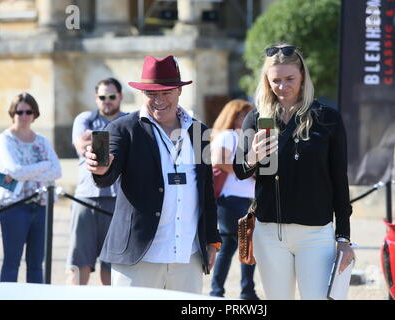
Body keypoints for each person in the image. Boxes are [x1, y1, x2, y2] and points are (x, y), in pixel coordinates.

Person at [84, 55, 221, 294]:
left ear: (179, 90)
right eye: (151, 93)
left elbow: (206, 190)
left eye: (165, 92)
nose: (158, 100)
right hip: (139, 258)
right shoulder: (123, 128)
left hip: (187, 256)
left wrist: (212, 239)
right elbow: (107, 174)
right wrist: (100, 168)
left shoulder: (199, 131)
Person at [233, 44, 355, 300]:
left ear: (302, 77)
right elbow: (240, 171)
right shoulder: (256, 119)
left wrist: (344, 237)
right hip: (269, 233)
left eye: (290, 79)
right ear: (266, 81)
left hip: (315, 233)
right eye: (275, 80)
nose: (282, 86)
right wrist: (253, 156)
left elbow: (339, 180)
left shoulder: (327, 119)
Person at [66, 78, 127, 285]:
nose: (107, 101)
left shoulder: (129, 120)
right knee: (79, 261)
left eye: (111, 97)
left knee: (112, 264)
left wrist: (97, 139)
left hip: (118, 199)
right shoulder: (84, 118)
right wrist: (114, 144)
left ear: (120, 97)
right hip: (86, 198)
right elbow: (82, 147)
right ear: (96, 98)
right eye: (102, 97)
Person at [0, 92, 61, 283]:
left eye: (28, 111)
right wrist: (43, 166)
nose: (24, 116)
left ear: (35, 114)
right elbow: (14, 170)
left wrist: (26, 173)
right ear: (13, 113)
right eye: (20, 111)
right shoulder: (5, 139)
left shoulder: (42, 140)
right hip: (14, 207)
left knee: (36, 264)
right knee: (12, 261)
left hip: (42, 206)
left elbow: (57, 171)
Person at [209, 99, 259, 299]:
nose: (247, 118)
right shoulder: (228, 136)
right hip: (232, 200)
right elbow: (218, 161)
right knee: (246, 246)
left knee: (230, 248)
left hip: (244, 199)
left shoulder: (246, 137)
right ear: (233, 115)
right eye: (243, 114)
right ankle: (246, 291)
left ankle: (217, 291)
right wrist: (246, 172)